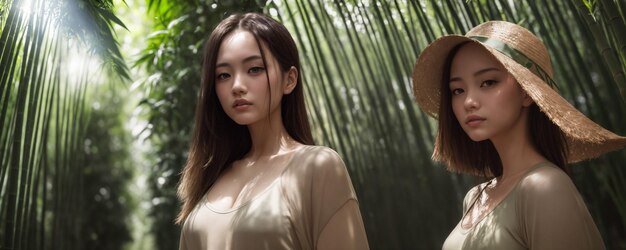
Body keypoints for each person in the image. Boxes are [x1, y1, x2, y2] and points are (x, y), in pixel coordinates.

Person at [412, 20, 626, 249]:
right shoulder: (474, 197)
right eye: (458, 90)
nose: (469, 102)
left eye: (487, 82)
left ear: (527, 92)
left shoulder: (545, 186)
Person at [176, 13, 369, 250]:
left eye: (254, 69)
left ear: (289, 80)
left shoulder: (317, 166)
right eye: (223, 75)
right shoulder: (211, 174)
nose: (237, 86)